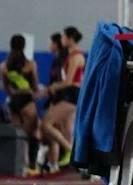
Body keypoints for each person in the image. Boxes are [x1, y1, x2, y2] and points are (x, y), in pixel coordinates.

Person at [39, 26, 84, 172]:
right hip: (69, 94)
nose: (62, 40)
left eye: (64, 37)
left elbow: (69, 81)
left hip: (72, 95)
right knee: (64, 128)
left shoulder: (77, 56)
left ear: (70, 39)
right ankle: (68, 156)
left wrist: (50, 88)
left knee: (46, 123)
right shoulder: (70, 55)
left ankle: (71, 150)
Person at [3, 35, 44, 176]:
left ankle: (17, 165)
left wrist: (13, 95)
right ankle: (32, 166)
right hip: (27, 101)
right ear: (24, 46)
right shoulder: (30, 65)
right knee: (34, 133)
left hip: (13, 102)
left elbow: (5, 87)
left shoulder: (4, 66)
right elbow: (35, 86)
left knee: (18, 133)